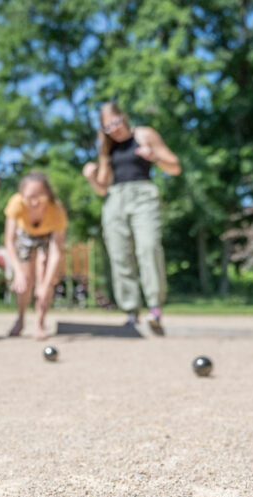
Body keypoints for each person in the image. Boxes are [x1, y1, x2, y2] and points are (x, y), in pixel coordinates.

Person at [82, 102, 181, 333]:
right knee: (119, 255)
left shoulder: (144, 134)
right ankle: (130, 312)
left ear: (123, 118)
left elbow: (175, 167)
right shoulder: (107, 149)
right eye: (107, 127)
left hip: (142, 195)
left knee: (148, 248)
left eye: (115, 123)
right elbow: (102, 189)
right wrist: (91, 178)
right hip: (116, 199)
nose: (114, 129)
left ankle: (154, 307)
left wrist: (153, 155)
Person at [3, 171, 67, 340]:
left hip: (47, 238)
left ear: (48, 194)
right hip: (25, 235)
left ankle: (39, 323)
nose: (35, 202)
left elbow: (56, 252)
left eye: (40, 197)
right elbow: (9, 241)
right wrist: (17, 272)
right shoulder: (16, 204)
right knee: (25, 280)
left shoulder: (56, 210)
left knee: (45, 276)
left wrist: (46, 284)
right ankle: (21, 318)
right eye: (30, 197)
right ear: (22, 195)